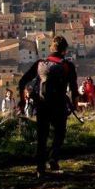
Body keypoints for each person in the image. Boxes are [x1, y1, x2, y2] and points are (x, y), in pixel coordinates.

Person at [18, 35, 78, 178]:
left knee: (42, 136)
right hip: (59, 105)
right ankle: (53, 157)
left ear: (51, 48)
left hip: (42, 104)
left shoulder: (40, 63)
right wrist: (74, 103)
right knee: (60, 133)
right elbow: (74, 88)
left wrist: (22, 101)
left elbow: (22, 82)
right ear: (65, 50)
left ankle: (40, 168)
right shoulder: (67, 66)